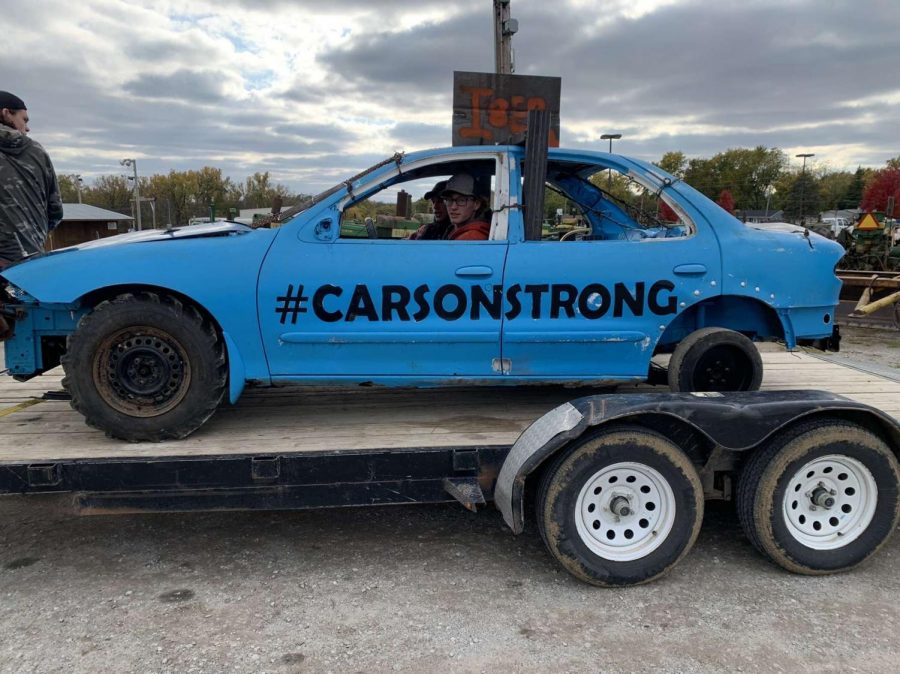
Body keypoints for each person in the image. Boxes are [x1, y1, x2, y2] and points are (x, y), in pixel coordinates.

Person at [0, 91, 63, 269]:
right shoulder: (36, 152)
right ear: (6, 113)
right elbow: (56, 211)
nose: (27, 128)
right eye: (24, 120)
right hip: (28, 260)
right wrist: (32, 235)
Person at [441, 173, 492, 241]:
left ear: (476, 204)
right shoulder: (453, 230)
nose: (453, 207)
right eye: (449, 200)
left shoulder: (471, 238)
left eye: (461, 200)